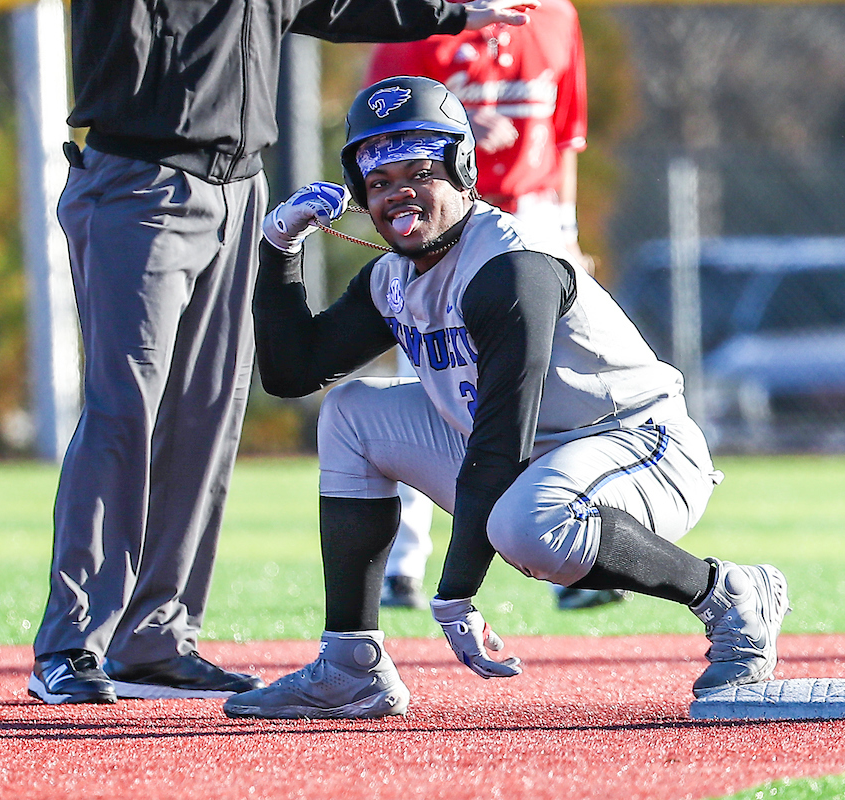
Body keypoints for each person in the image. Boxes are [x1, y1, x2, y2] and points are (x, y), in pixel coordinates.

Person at [223, 77, 790, 720]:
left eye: (419, 171)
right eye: (379, 183)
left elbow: (500, 436)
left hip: (639, 446)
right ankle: (351, 664)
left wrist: (455, 593)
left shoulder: (511, 265)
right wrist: (279, 247)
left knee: (527, 525)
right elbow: (291, 372)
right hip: (531, 454)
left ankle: (731, 594)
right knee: (352, 414)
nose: (397, 194)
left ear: (463, 171)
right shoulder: (394, 276)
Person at [28, 0, 542, 706]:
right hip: (139, 179)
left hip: (241, 188)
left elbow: (344, 4)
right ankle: (71, 642)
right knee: (123, 411)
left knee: (209, 417)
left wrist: (451, 11)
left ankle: (153, 640)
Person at [366, 0, 619, 611]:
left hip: (531, 220)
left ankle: (574, 561)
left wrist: (568, 232)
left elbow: (564, 138)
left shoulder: (557, 16)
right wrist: (455, 140)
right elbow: (374, 141)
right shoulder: (420, 16)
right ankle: (402, 566)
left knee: (553, 393)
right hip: (444, 221)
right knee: (425, 385)